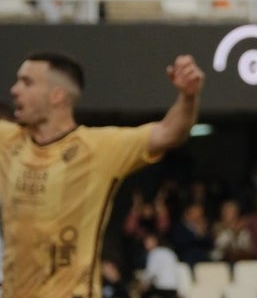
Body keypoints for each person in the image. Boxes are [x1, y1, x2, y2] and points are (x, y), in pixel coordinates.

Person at [1, 51, 204, 297]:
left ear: (57, 95)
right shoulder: (7, 141)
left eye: (27, 82)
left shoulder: (99, 148)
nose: (14, 90)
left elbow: (169, 132)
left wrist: (188, 97)